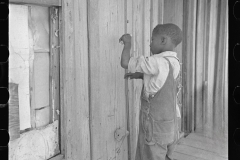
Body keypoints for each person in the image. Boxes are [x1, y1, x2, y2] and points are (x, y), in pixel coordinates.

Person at [119, 23, 183, 160]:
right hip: (171, 124)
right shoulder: (174, 62)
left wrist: (127, 43)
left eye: (152, 40)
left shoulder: (156, 61)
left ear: (163, 40)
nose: (150, 44)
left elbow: (125, 62)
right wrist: (141, 75)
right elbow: (163, 81)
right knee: (165, 155)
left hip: (154, 125)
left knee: (149, 155)